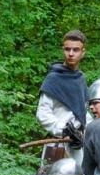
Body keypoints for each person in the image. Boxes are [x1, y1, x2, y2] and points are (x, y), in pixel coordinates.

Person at [37, 30, 89, 160]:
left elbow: (83, 113)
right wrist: (63, 130)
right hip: (57, 145)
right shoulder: (53, 79)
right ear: (63, 50)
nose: (71, 54)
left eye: (75, 50)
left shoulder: (80, 79)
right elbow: (42, 114)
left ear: (83, 52)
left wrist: (88, 134)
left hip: (77, 146)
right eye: (67, 49)